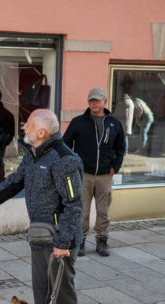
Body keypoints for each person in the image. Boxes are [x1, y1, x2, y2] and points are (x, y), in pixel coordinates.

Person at [0, 109, 83, 304]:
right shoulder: (33, 155)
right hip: (39, 237)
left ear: (42, 132)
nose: (24, 127)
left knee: (62, 294)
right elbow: (14, 182)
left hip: (59, 241)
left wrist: (63, 242)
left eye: (29, 125)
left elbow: (74, 204)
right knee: (43, 294)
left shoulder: (64, 159)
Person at [63, 87, 124, 257]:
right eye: (91, 100)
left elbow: (121, 148)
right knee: (82, 210)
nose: (94, 103)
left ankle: (102, 241)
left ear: (105, 101)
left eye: (97, 100)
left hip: (105, 176)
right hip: (84, 175)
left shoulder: (114, 123)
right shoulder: (78, 122)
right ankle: (80, 242)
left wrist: (115, 167)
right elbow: (65, 145)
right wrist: (72, 165)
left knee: (103, 211)